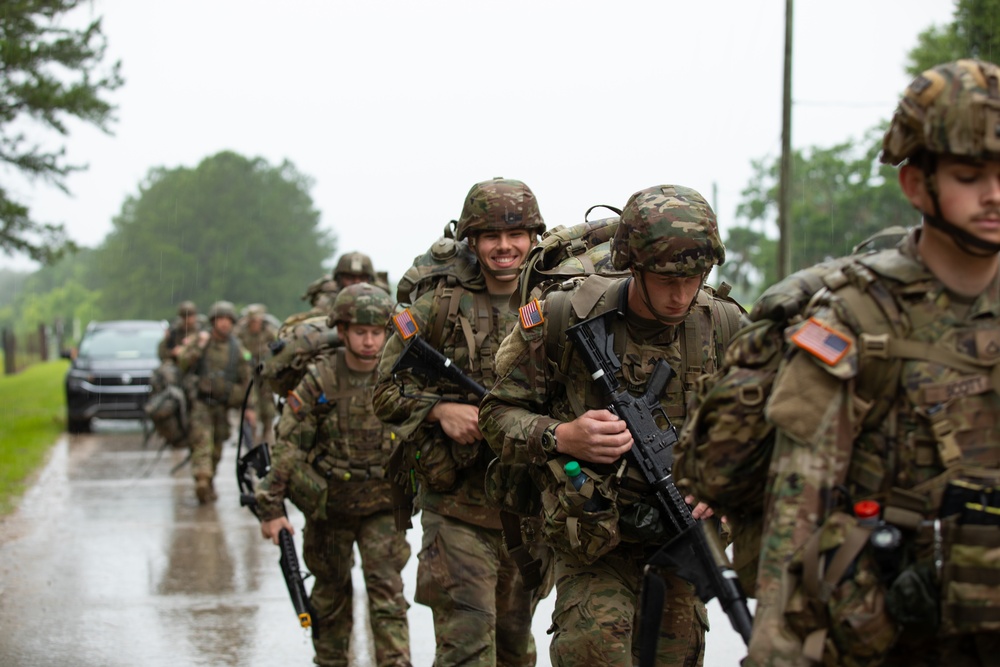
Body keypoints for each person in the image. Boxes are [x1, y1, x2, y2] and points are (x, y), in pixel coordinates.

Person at [711, 59, 1000, 666]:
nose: (994, 195)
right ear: (917, 185)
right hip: (891, 630)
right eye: (971, 176)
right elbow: (799, 505)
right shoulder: (854, 319)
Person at [479, 184, 746, 666]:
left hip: (683, 542)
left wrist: (728, 487)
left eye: (695, 276)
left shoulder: (724, 326)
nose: (681, 293)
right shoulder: (566, 316)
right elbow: (496, 416)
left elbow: (765, 431)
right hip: (594, 543)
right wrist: (562, 435)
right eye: (666, 278)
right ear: (633, 265)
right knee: (592, 653)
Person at [373, 177, 552, 667]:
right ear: (472, 240)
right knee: (468, 649)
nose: (504, 247)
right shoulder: (439, 304)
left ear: (534, 237)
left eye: (516, 235)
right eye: (491, 235)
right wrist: (439, 410)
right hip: (456, 507)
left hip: (530, 509)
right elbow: (384, 391)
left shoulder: (556, 300)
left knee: (516, 647)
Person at [256, 283, 411, 667]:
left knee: (388, 596)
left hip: (383, 505)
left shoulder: (397, 374)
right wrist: (271, 509)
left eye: (378, 332)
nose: (370, 341)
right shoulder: (320, 378)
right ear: (341, 332)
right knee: (329, 598)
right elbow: (288, 444)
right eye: (361, 332)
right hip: (330, 507)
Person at [177, 300, 256, 504]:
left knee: (217, 448)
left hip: (223, 406)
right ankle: (202, 478)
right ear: (213, 322)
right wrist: (198, 347)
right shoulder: (202, 341)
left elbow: (246, 377)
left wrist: (249, 406)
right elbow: (183, 364)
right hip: (202, 404)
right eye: (220, 320)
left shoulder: (236, 348)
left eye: (227, 320)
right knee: (202, 441)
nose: (223, 324)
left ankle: (209, 479)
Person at [235, 303, 278, 443]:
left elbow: (278, 345)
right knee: (250, 404)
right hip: (248, 373)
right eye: (252, 321)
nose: (255, 324)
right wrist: (246, 357)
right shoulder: (241, 332)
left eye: (257, 320)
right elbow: (235, 347)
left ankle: (267, 435)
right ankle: (252, 438)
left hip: (265, 373)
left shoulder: (269, 331)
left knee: (268, 408)